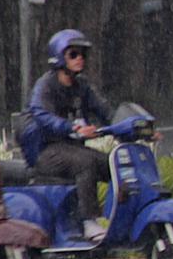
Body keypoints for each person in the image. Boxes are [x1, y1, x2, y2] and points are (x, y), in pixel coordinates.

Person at [26, 29, 113, 242]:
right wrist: (71, 128)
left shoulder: (82, 86)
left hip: (72, 149)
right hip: (48, 151)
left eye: (82, 54)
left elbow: (104, 110)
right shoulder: (45, 85)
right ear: (59, 56)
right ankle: (88, 222)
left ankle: (121, 218)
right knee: (86, 162)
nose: (80, 58)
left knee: (114, 163)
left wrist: (135, 126)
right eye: (73, 54)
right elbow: (40, 114)